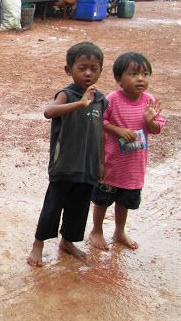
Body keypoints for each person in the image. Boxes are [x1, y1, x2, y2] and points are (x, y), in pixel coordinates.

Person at [27, 42, 107, 267]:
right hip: (64, 164)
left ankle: (68, 241)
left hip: (88, 165)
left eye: (94, 68)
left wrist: (101, 162)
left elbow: (100, 131)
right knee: (54, 205)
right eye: (82, 68)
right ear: (68, 70)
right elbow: (48, 111)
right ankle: (38, 244)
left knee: (79, 207)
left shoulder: (100, 99)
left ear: (101, 70)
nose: (88, 73)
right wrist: (79, 104)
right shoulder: (67, 94)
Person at [89, 53, 165, 250]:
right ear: (118, 80)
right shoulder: (112, 100)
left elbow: (157, 129)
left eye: (145, 74)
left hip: (134, 166)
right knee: (102, 199)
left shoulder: (149, 102)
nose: (140, 78)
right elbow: (100, 120)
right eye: (133, 74)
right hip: (111, 163)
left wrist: (150, 121)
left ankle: (119, 231)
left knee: (125, 200)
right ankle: (96, 230)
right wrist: (118, 130)